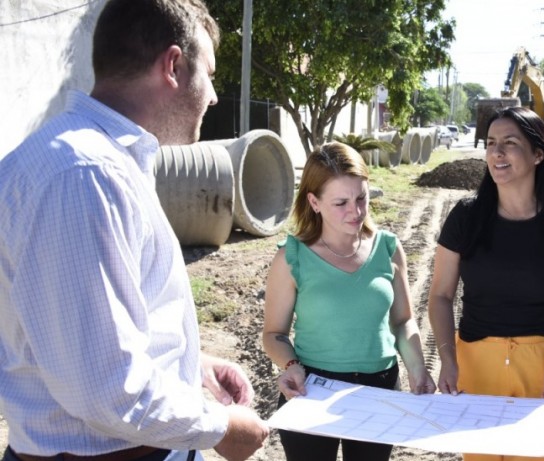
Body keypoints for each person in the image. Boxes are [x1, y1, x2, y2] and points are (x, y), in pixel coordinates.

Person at [0, 1, 270, 460]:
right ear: (173, 65)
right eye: (209, 74)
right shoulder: (85, 176)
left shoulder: (95, 163)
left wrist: (193, 368)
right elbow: (108, 389)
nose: (213, 97)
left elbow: (79, 336)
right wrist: (223, 427)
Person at [428, 107, 544, 461]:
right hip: (476, 362)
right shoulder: (466, 216)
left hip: (543, 366)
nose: (496, 152)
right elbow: (441, 296)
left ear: (538, 154)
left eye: (509, 143)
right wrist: (449, 360)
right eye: (490, 143)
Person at [262, 141, 436, 461]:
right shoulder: (292, 257)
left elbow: (402, 321)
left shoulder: (388, 248)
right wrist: (290, 366)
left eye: (361, 198)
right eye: (341, 202)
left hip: (379, 390)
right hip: (312, 391)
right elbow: (274, 334)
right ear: (314, 202)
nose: (355, 211)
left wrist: (417, 367)